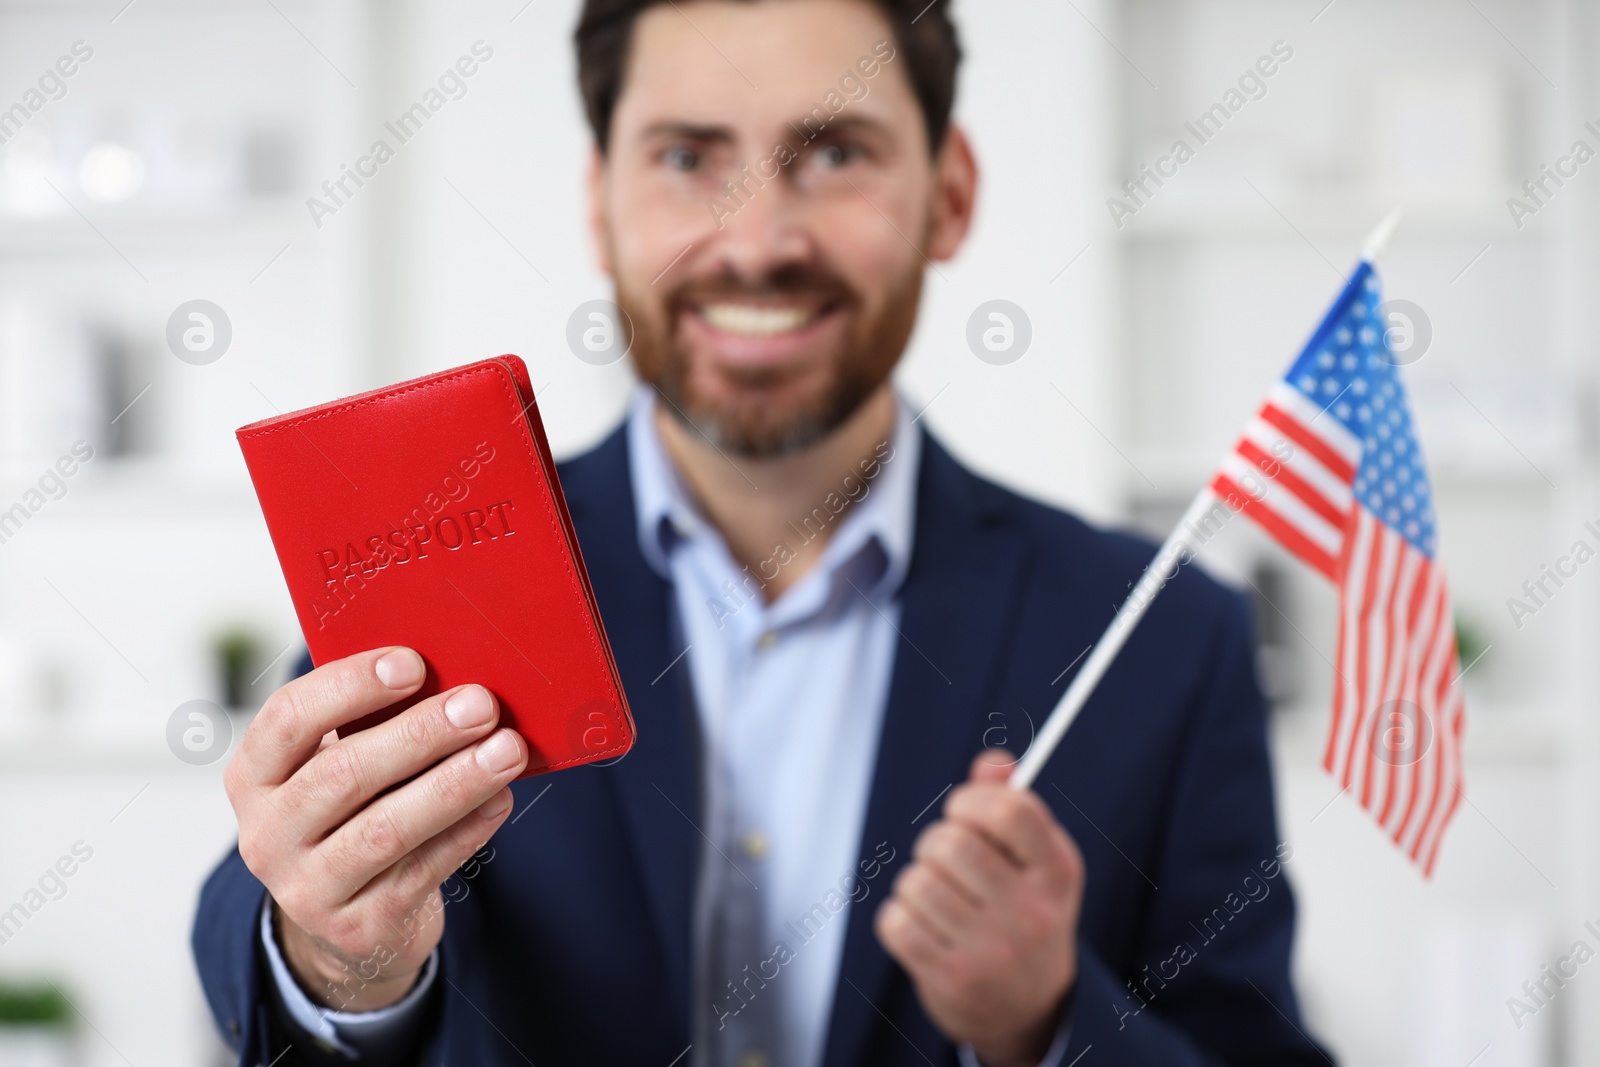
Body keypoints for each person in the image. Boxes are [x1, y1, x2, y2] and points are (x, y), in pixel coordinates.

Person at [194, 1, 1331, 1064]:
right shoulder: (430, 560)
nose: (757, 241)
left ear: (950, 193)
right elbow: (257, 928)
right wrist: (341, 962)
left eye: (835, 153)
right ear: (599, 202)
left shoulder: (1167, 634)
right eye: (688, 158)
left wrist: (1045, 1017)